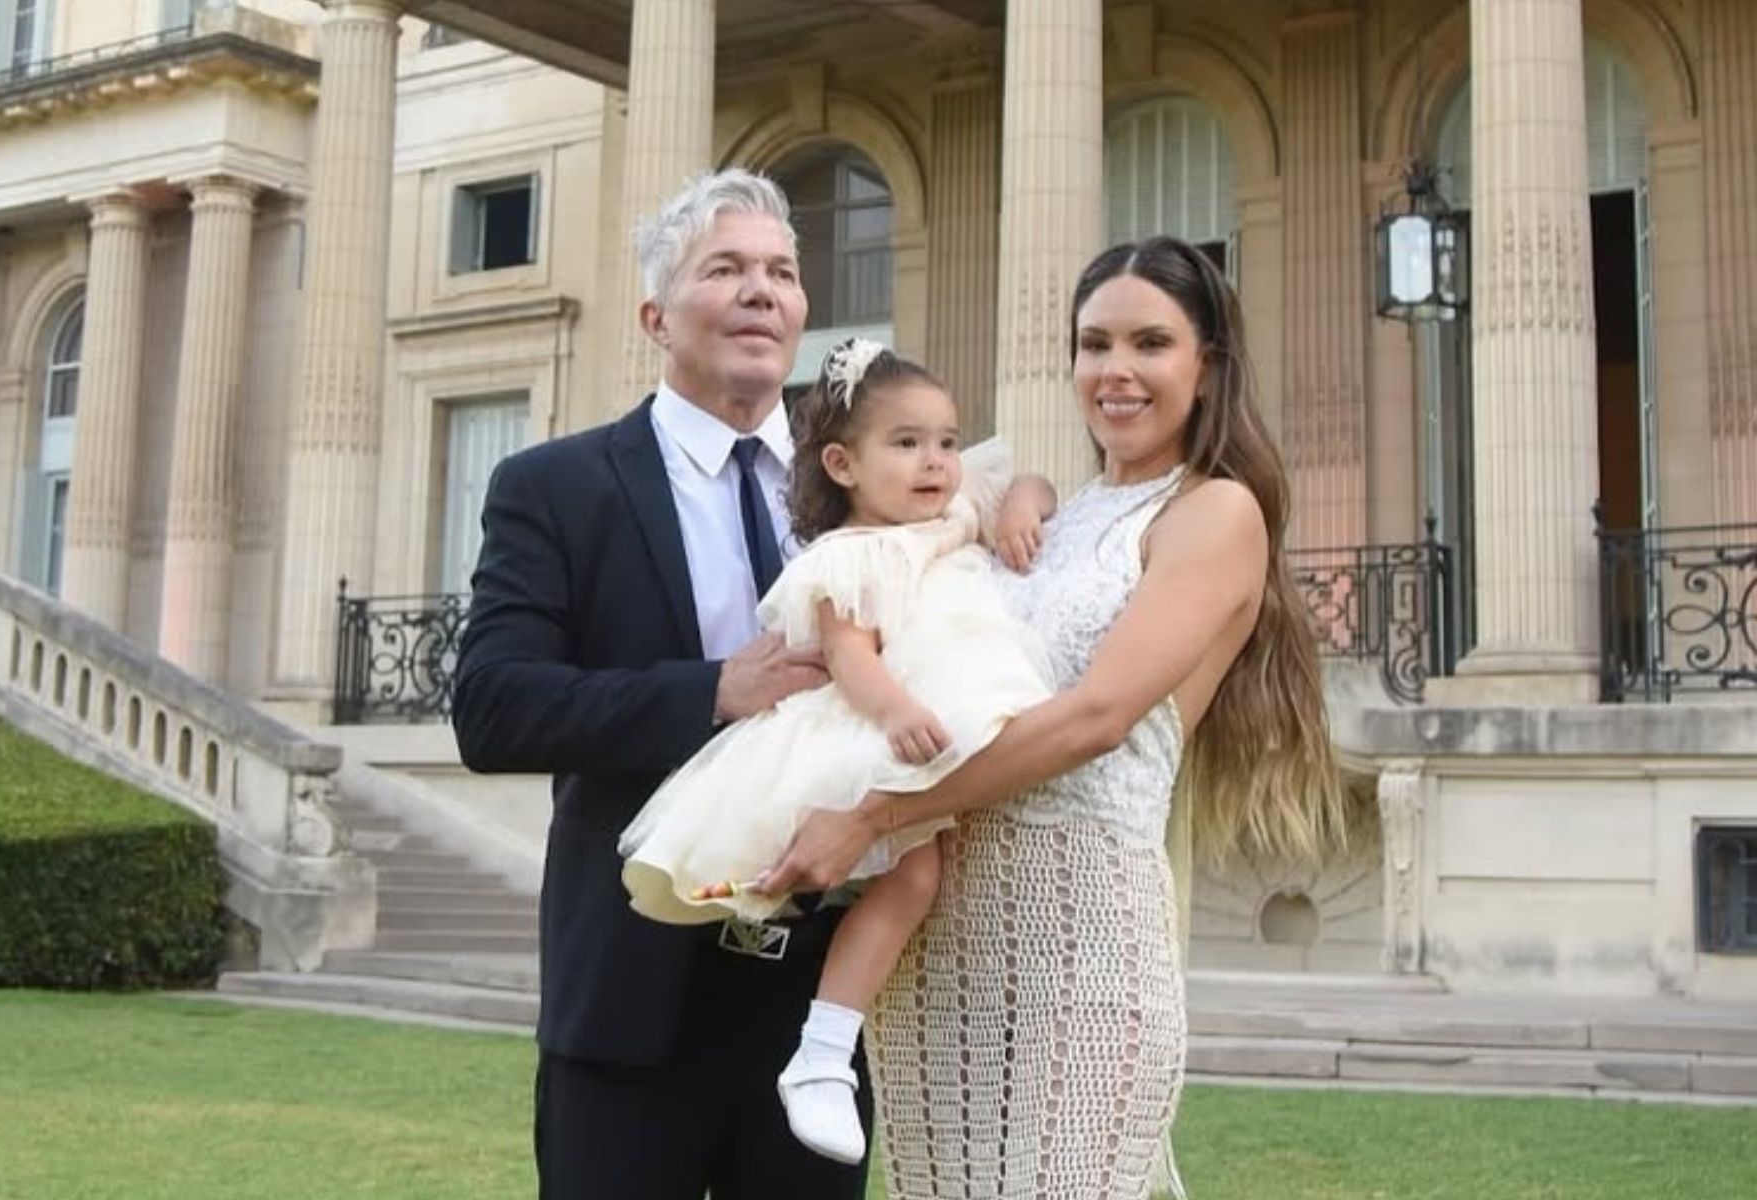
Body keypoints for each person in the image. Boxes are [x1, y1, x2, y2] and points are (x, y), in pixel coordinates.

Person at [756, 236, 1352, 1200]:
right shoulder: (1047, 515)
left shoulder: (1216, 512)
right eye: (1094, 343)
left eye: (1150, 343)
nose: (1116, 371)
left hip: (1079, 932)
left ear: (1207, 367)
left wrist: (871, 815)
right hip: (937, 941)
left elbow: (1097, 717)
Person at [451, 169, 862, 1200]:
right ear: (655, 315)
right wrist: (711, 691)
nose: (761, 291)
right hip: (630, 1005)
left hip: (817, 1009)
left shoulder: (859, 486)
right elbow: (493, 708)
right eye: (725, 268)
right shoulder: (555, 487)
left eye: (781, 271)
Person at [616, 337, 1055, 1167]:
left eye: (947, 441)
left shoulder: (954, 517)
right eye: (907, 443)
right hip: (888, 726)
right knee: (915, 873)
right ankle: (823, 1053)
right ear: (843, 464)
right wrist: (893, 712)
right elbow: (848, 653)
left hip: (969, 715)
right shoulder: (846, 557)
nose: (936, 462)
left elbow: (1020, 481)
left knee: (949, 874)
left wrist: (1027, 501)